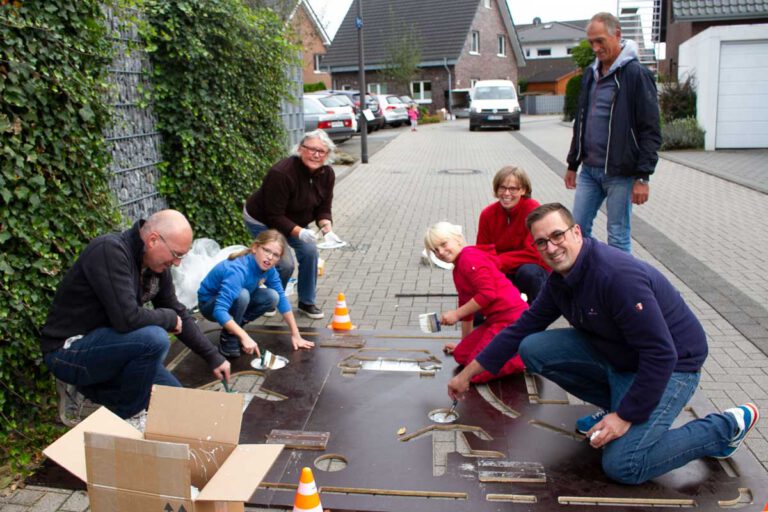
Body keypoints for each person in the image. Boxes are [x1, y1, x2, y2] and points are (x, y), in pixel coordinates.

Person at [448, 203, 759, 485]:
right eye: (541, 242)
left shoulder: (616, 277)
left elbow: (661, 354)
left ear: (576, 232)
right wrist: (466, 374)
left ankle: (724, 427)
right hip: (620, 354)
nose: (551, 248)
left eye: (558, 235)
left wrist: (624, 417)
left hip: (675, 365)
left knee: (625, 464)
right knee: (532, 347)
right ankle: (621, 405)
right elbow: (518, 331)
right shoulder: (560, 280)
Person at [40, 210, 231, 427]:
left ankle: (107, 397)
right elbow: (127, 319)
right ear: (152, 240)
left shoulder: (157, 267)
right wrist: (167, 318)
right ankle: (131, 417)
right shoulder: (109, 251)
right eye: (176, 255)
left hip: (111, 348)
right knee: (154, 338)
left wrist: (213, 357)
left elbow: (178, 312)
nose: (177, 263)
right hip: (67, 351)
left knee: (175, 400)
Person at [564, 12, 661, 253]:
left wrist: (642, 177)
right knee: (576, 231)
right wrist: (573, 163)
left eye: (600, 41)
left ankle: (621, 289)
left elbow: (650, 130)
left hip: (621, 173)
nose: (595, 48)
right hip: (589, 171)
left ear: (616, 35)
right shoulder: (590, 74)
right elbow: (582, 122)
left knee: (617, 236)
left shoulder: (636, 75)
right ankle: (585, 284)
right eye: (591, 42)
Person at [243, 129, 343, 320]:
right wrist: (300, 232)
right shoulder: (281, 173)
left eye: (321, 151)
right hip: (262, 219)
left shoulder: (327, 174)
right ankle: (269, 299)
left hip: (292, 221)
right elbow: (274, 216)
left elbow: (324, 206)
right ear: (300, 149)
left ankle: (306, 302)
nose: (316, 154)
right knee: (284, 264)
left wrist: (326, 227)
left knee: (310, 251)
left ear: (327, 155)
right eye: (311, 149)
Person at [424, 222, 527, 383]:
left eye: (443, 244)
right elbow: (467, 311)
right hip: (495, 321)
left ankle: (522, 358)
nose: (441, 252)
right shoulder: (458, 268)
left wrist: (456, 314)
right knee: (461, 356)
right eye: (435, 250)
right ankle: (507, 350)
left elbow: (487, 294)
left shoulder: (469, 257)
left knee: (474, 374)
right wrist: (464, 343)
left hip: (511, 320)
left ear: (457, 239)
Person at [197, 229, 315, 358]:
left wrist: (296, 334)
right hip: (209, 306)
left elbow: (281, 298)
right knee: (242, 295)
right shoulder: (238, 270)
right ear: (254, 248)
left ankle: (236, 328)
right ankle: (229, 337)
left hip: (235, 300)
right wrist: (245, 337)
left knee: (272, 296)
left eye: (275, 255)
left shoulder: (269, 269)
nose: (270, 257)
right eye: (266, 250)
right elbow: (219, 311)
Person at [477, 166, 549, 303]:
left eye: (513, 189)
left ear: (523, 190)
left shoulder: (534, 210)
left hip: (529, 269)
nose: (506, 193)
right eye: (502, 188)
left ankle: (536, 312)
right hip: (502, 270)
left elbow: (534, 253)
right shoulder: (487, 214)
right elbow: (483, 251)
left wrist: (497, 261)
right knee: (478, 315)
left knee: (529, 273)